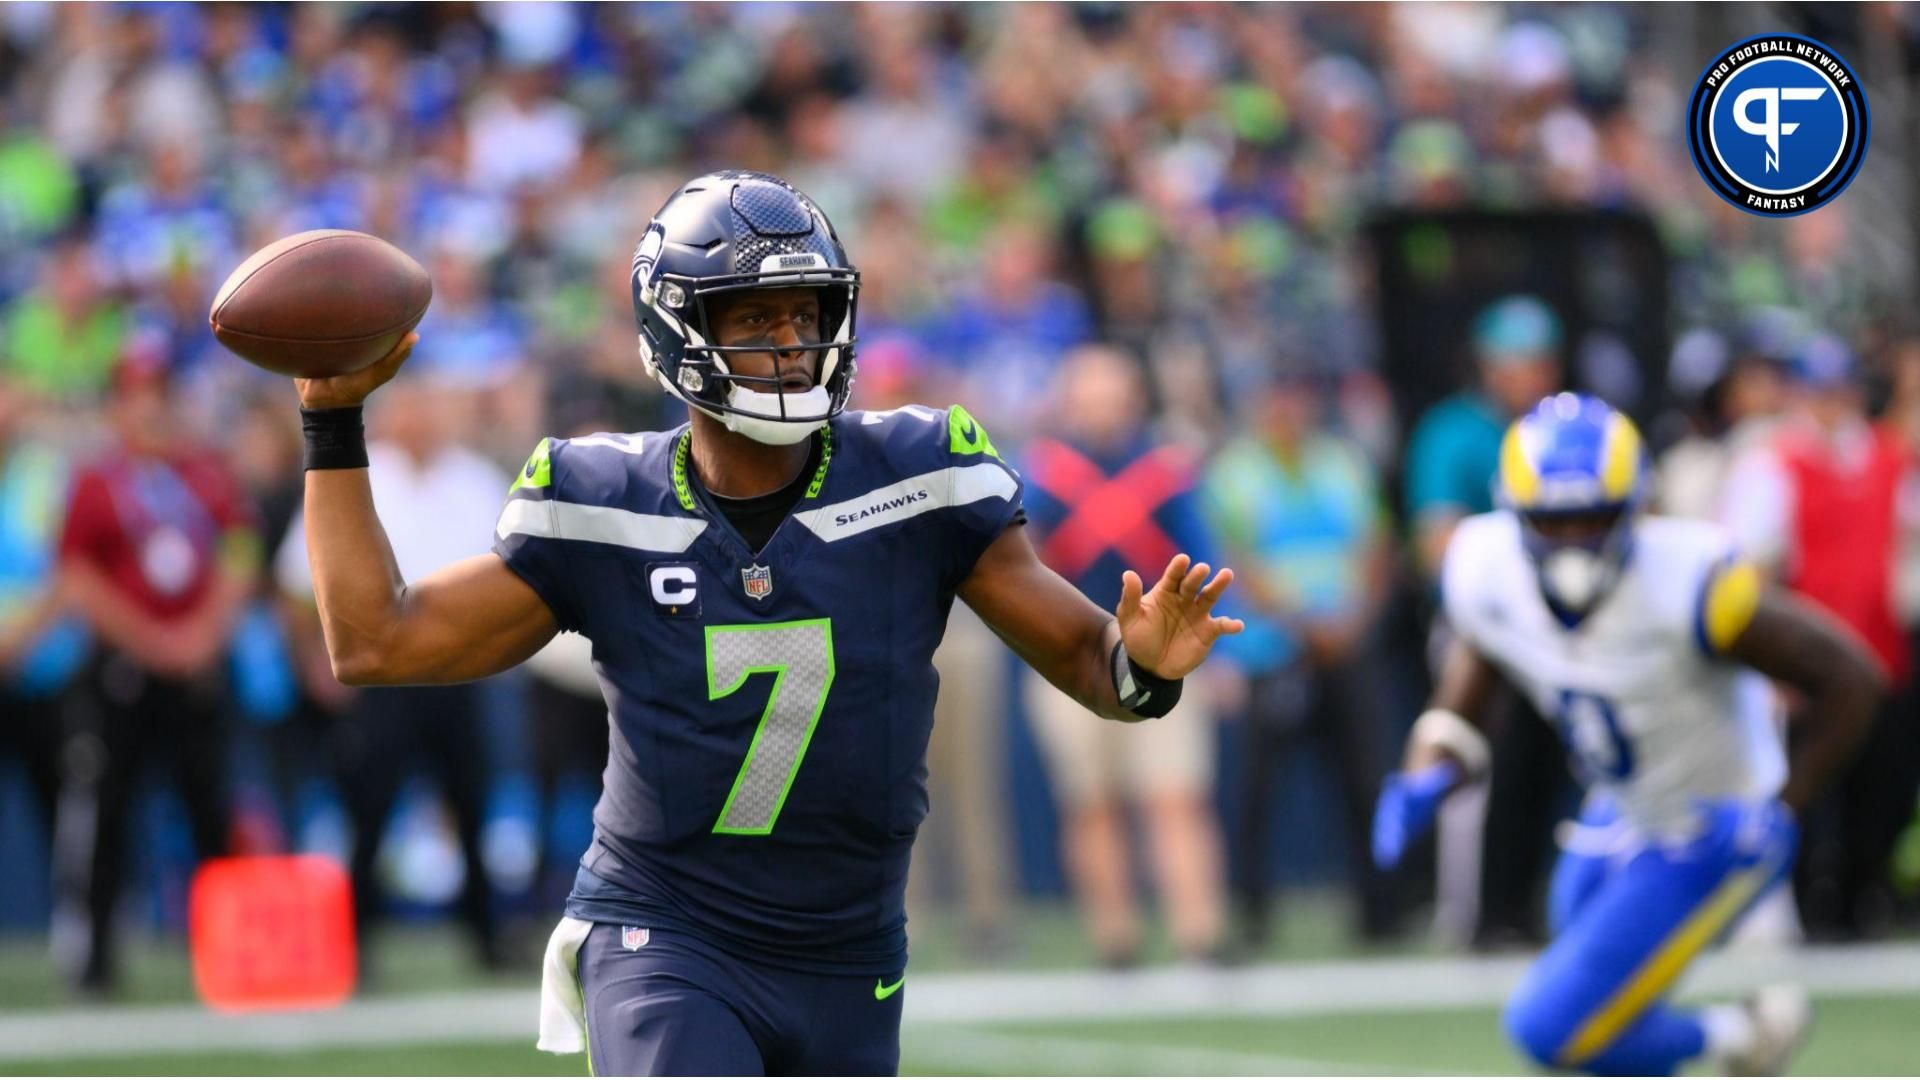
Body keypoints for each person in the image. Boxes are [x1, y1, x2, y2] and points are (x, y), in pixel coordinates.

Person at [286, 171, 1240, 1076]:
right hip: (667, 929)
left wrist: (1144, 665)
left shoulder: (921, 477)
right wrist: (333, 426)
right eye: (753, 318)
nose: (790, 342)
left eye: (805, 313)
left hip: (851, 946)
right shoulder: (600, 500)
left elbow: (1089, 658)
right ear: (678, 333)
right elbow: (376, 642)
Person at [1373, 393, 1882, 1074]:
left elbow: (1852, 677)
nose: (1575, 541)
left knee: (1551, 1026)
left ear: (1636, 506)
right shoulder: (1484, 564)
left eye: (1595, 516)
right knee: (1593, 989)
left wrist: (1780, 810)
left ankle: (1745, 1036)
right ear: (1515, 511)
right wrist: (1427, 769)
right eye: (1555, 521)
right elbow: (1465, 698)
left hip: (1713, 828)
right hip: (1621, 808)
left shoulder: (1691, 581)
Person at [276, 375, 515, 972]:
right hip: (380, 675)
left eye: (430, 406)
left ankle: (486, 936)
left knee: (471, 805)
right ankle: (354, 942)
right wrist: (316, 663)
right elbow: (294, 583)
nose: (422, 419)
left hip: (459, 667)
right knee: (369, 811)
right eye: (412, 407)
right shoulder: (357, 470)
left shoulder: (475, 478)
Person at [53, 355, 257, 994]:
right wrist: (148, 639)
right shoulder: (96, 480)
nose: (151, 407)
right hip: (122, 670)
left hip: (197, 669)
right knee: (108, 811)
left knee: (210, 812)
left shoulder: (207, 473)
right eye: (137, 395)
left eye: (160, 394)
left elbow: (241, 552)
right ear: (118, 406)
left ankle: (227, 956)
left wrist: (204, 632)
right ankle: (95, 957)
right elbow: (77, 576)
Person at [1021, 343, 1228, 968]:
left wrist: (1219, 659)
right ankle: (1116, 939)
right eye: (1089, 397)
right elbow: (1022, 565)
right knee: (1091, 802)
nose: (1101, 410)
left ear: (1133, 399)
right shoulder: (1043, 474)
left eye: (1111, 396)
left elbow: (1203, 560)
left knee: (1176, 796)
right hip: (1071, 654)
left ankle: (1200, 934)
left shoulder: (1166, 471)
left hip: (1162, 654)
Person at [1721, 335, 1918, 939]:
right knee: (1811, 792)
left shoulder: (1891, 459)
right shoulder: (1773, 463)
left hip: (1883, 653)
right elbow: (1747, 566)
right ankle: (1815, 912)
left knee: (1883, 789)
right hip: (1810, 664)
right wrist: (1766, 663)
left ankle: (1867, 899)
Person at [1202, 371, 1397, 945]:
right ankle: (1253, 914)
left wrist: (1354, 619)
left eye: (1296, 396)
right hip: (1270, 649)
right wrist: (1307, 624)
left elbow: (1376, 544)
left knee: (1365, 780)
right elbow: (1236, 557)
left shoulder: (1341, 462)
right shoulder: (1235, 471)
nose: (1288, 409)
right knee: (1257, 790)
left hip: (1347, 642)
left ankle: (1380, 911)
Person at [1403, 294, 1569, 947]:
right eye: (1511, 361)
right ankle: (1468, 913)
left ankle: (1521, 906)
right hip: (1480, 622)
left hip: (1559, 627)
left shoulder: (1564, 429)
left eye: (1535, 361)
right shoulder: (1453, 431)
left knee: (1543, 770)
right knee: (1469, 762)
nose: (1525, 375)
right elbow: (1436, 540)